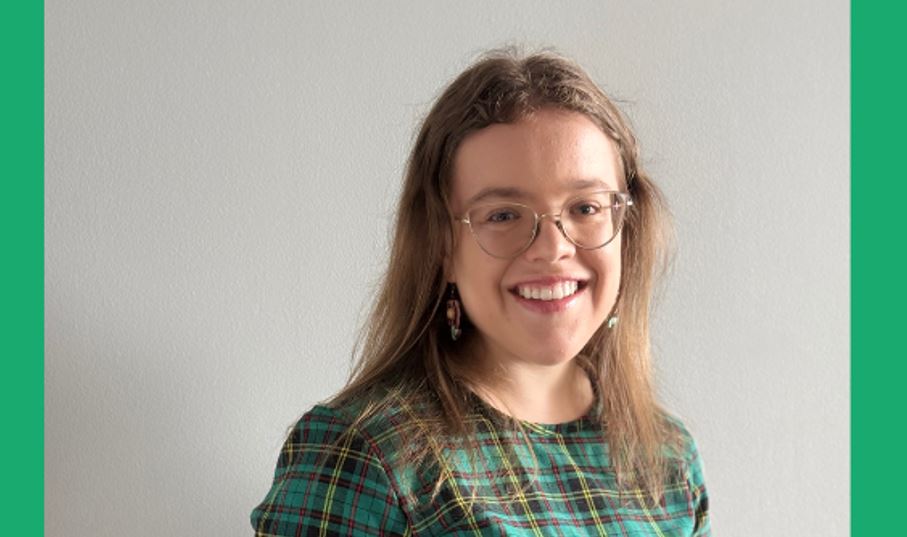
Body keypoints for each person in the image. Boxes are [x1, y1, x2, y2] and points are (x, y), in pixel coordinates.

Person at [250, 49, 710, 536]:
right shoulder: (366, 452)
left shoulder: (667, 457)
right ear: (443, 244)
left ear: (626, 227)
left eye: (586, 208)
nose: (553, 249)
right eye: (504, 215)